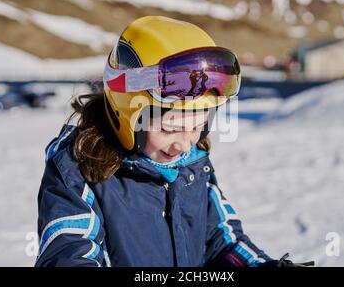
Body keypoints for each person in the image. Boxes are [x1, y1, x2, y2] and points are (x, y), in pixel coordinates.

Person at [35, 16, 312, 267]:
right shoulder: (77, 170)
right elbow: (69, 252)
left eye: (197, 126)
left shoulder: (192, 164)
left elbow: (222, 240)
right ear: (127, 115)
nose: (184, 144)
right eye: (169, 128)